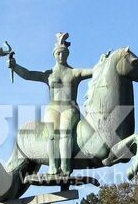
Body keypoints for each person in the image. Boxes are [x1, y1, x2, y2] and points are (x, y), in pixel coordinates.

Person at [8, 32, 93, 176]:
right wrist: (15, 66)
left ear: (67, 54)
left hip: (69, 108)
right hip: (53, 108)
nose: (61, 56)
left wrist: (105, 62)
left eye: (63, 53)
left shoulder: (75, 73)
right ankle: (53, 167)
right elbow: (28, 74)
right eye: (58, 53)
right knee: (52, 134)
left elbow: (94, 71)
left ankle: (65, 167)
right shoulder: (49, 74)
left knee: (65, 132)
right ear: (54, 55)